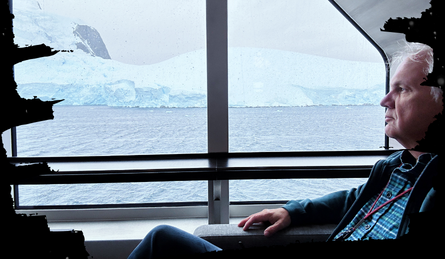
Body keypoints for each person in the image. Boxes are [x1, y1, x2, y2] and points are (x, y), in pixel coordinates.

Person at [128, 42, 442, 259]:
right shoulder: (394, 169)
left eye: (402, 90)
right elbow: (351, 199)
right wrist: (293, 211)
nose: (385, 101)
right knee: (163, 240)